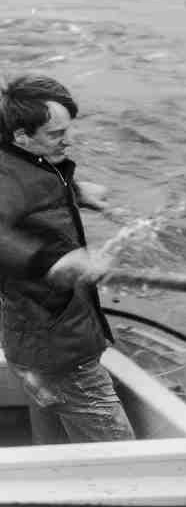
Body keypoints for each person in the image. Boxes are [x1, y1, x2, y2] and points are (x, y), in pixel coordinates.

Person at [0, 74, 135, 444]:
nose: (68, 140)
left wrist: (74, 192)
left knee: (54, 439)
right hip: (61, 354)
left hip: (34, 345)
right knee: (121, 456)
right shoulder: (8, 180)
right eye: (56, 134)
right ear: (21, 136)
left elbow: (29, 199)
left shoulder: (26, 158)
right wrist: (48, 261)